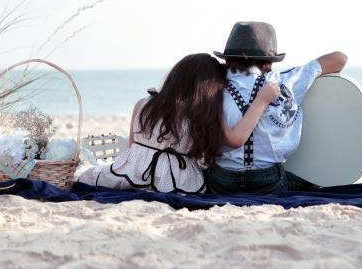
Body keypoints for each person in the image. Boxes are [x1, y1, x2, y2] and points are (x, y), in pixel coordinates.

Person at [77, 53, 280, 193]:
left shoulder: (143, 104)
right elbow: (235, 139)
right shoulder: (200, 114)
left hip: (133, 173)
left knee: (88, 176)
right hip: (177, 180)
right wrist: (261, 100)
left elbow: (132, 148)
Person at [206, 21, 347, 194]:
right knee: (308, 184)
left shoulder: (211, 86)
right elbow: (340, 58)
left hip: (222, 180)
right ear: (270, 60)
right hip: (268, 180)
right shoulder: (285, 81)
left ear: (228, 58)